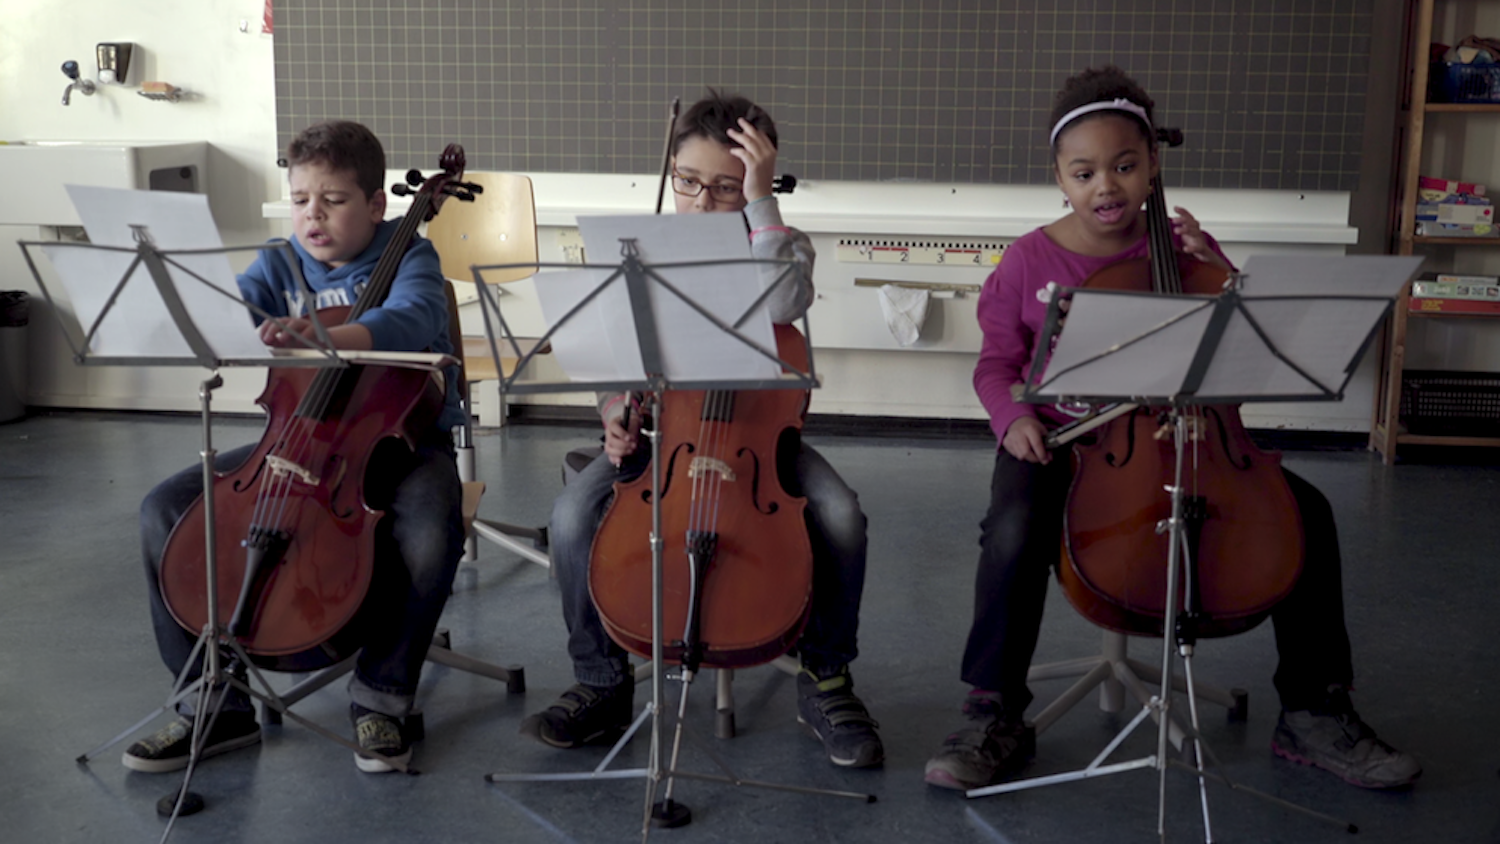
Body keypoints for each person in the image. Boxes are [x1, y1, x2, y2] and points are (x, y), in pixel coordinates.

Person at [923, 66, 1422, 792]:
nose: (1108, 187)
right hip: (1068, 439)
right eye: (1085, 172)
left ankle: (1315, 709)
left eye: (1126, 166)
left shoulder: (1188, 249)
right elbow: (996, 366)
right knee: (1012, 524)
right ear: (1059, 176)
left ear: (1153, 164)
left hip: (1194, 437)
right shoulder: (1027, 260)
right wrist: (1012, 419)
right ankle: (993, 708)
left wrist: (1218, 268)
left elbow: (1235, 346)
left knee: (1305, 510)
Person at [519, 92, 884, 769]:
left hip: (760, 445)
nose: (704, 202)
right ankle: (601, 681)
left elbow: (780, 301)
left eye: (725, 187)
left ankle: (826, 677)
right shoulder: (639, 250)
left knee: (841, 516)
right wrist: (612, 416)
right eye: (690, 183)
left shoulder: (783, 245)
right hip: (665, 441)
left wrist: (759, 202)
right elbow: (611, 356)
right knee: (572, 516)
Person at [125, 120, 466, 775]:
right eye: (301, 198)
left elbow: (415, 317)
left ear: (375, 204)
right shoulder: (279, 260)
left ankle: (382, 699)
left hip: (402, 449)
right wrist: (198, 312)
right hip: (291, 446)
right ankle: (211, 708)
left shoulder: (409, 251)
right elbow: (232, 310)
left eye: (333, 200)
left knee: (427, 532)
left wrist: (323, 333)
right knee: (163, 511)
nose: (313, 214)